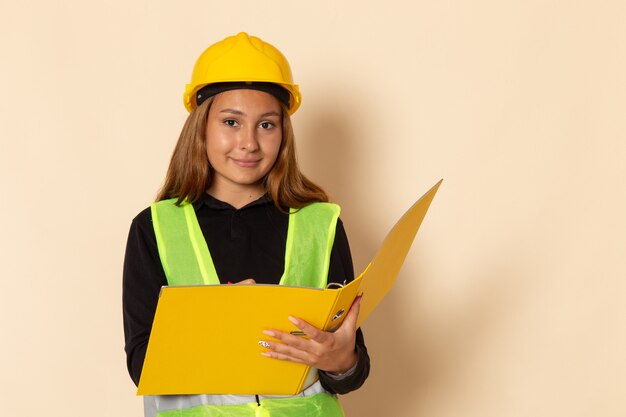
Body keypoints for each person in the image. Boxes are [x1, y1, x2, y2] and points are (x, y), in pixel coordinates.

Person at [123, 32, 370, 417]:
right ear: (201, 127)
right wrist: (220, 321)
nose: (249, 142)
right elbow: (142, 367)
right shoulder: (154, 228)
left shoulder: (321, 224)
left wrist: (342, 361)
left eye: (266, 125)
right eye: (231, 122)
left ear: (283, 134)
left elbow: (350, 370)